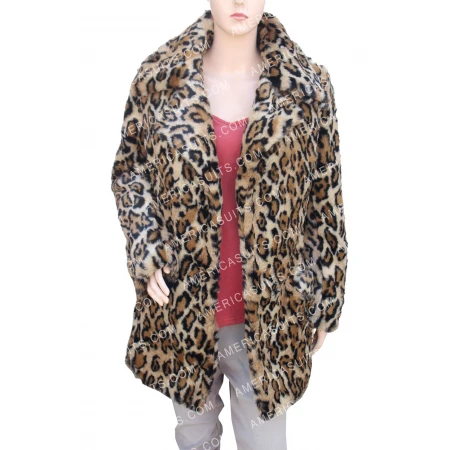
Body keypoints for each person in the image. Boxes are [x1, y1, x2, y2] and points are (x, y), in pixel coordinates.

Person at [111, 1, 348, 449]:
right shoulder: (160, 80)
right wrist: (147, 246)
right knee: (195, 437)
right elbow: (130, 172)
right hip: (184, 307)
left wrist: (325, 295)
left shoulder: (307, 88)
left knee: (265, 441)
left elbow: (325, 197)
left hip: (270, 314)